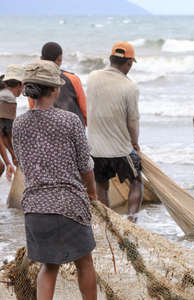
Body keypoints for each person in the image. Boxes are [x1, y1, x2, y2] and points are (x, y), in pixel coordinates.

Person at [12, 60, 97, 300]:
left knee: (49, 267)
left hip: (35, 207)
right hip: (70, 206)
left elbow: (23, 163)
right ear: (55, 89)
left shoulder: (19, 123)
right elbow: (85, 166)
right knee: (85, 263)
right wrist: (92, 193)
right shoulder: (70, 121)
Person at [86, 41, 143, 223]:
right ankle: (132, 220)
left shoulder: (93, 77)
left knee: (102, 185)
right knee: (136, 181)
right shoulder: (130, 87)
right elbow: (132, 122)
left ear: (111, 59)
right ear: (128, 63)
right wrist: (135, 142)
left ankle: (107, 222)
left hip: (95, 150)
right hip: (121, 150)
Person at [28, 42, 87, 126]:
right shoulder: (73, 79)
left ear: (41, 58)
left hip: (45, 130)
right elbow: (84, 108)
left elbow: (32, 108)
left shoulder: (34, 80)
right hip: (72, 128)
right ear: (60, 58)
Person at [0, 64, 24, 180]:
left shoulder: (2, 91)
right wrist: (11, 159)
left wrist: (11, 159)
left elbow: (3, 132)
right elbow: (5, 134)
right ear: (20, 84)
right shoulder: (8, 98)